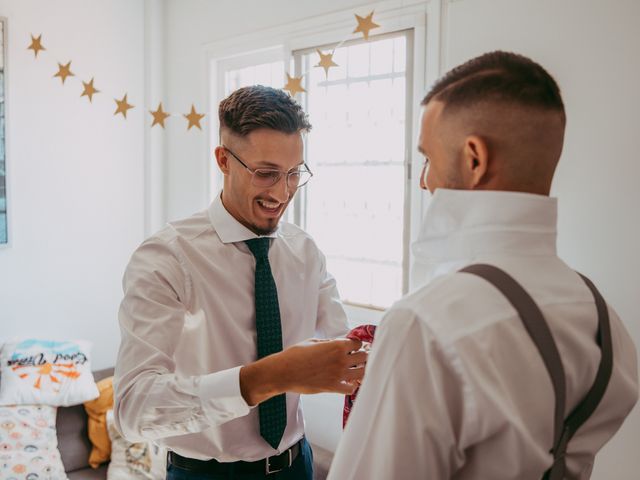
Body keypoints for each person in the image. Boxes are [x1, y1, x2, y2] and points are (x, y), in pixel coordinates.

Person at [328, 51, 638, 479]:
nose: (424, 180)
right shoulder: (603, 319)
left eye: (428, 158)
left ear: (474, 158)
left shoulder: (427, 323)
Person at [114, 85, 366, 480]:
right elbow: (135, 409)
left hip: (296, 466)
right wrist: (272, 377)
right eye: (266, 173)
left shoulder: (305, 251)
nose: (282, 193)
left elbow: (347, 346)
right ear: (224, 160)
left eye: (294, 174)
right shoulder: (165, 258)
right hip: (204, 474)